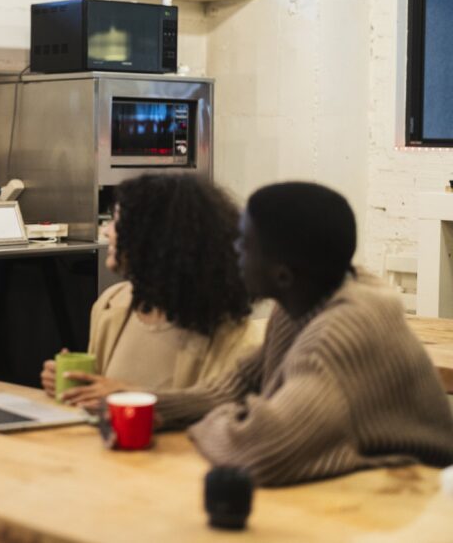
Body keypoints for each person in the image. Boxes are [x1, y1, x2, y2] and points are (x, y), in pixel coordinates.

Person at [153, 182, 453, 486]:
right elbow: (242, 384)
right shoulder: (303, 299)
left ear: (282, 275)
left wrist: (219, 419)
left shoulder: (342, 332)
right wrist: (153, 406)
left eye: (245, 243)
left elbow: (261, 453)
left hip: (419, 496)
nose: (235, 250)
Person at [41, 174, 261, 408]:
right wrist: (74, 384)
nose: (107, 231)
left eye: (117, 222)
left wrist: (130, 395)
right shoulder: (112, 303)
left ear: (155, 237)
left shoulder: (232, 334)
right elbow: (100, 396)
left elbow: (224, 415)